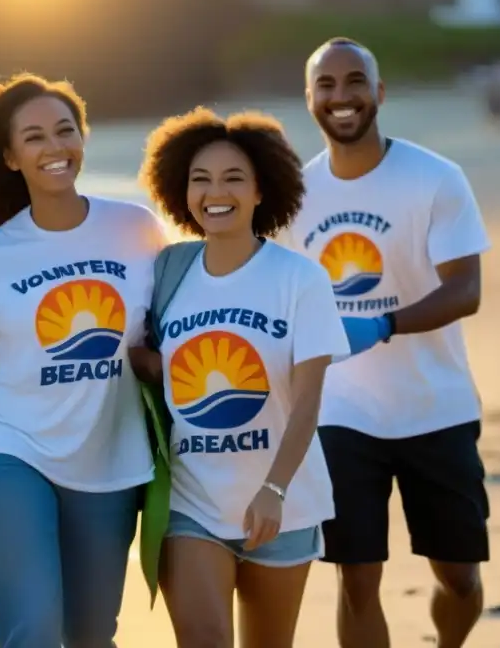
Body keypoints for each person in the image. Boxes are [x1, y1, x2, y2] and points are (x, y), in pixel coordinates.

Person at [0, 66, 168, 648]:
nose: (54, 147)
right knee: (34, 632)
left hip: (110, 460)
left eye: (65, 130)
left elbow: (166, 336)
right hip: (11, 453)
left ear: (83, 139)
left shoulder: (136, 231)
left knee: (91, 636)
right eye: (35, 137)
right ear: (12, 157)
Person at [286, 37, 490, 648]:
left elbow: (466, 291)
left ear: (378, 92)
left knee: (458, 578)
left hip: (438, 407)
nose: (341, 97)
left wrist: (383, 325)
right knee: (357, 580)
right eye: (326, 85)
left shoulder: (434, 178)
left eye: (355, 82)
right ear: (310, 99)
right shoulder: (295, 197)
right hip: (341, 413)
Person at [128, 107, 349, 648]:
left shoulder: (299, 279)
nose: (214, 192)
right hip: (191, 502)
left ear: (260, 191)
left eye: (232, 178)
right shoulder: (165, 273)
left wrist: (273, 489)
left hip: (283, 504)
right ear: (181, 193)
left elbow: (307, 401)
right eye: (199, 180)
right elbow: (146, 354)